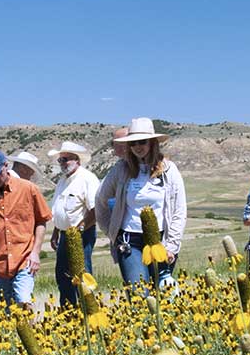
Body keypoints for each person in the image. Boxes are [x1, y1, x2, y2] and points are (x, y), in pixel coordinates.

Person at [97, 119, 186, 290]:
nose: (138, 147)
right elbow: (101, 200)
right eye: (133, 143)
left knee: (163, 294)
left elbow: (179, 211)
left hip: (160, 240)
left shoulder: (169, 170)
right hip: (130, 240)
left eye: (142, 142)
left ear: (152, 143)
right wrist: (111, 231)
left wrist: (172, 247)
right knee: (138, 292)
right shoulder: (121, 170)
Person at [0, 149, 54, 310]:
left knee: (24, 304)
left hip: (23, 260)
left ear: (6, 166)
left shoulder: (29, 189)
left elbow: (41, 221)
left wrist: (35, 253)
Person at [46, 141, 101, 307]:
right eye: (60, 160)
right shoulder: (63, 181)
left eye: (66, 159)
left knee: (81, 273)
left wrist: (81, 228)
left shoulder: (87, 178)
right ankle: (68, 310)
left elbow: (95, 209)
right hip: (64, 234)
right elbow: (60, 208)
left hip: (82, 234)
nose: (62, 163)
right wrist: (56, 231)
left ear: (77, 160)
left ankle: (88, 308)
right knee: (63, 275)